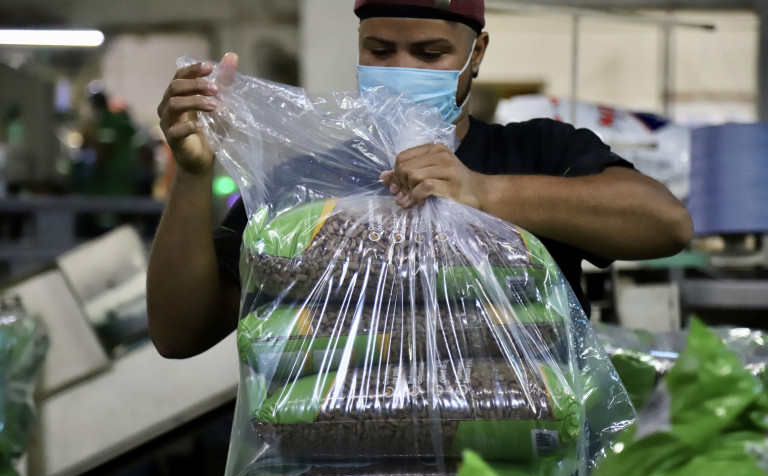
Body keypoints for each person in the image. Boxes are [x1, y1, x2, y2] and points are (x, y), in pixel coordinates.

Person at [148, 0, 693, 359]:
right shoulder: (306, 181)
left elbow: (666, 225)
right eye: (379, 51)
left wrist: (482, 191)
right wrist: (193, 174)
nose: (401, 69)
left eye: (431, 53)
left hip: (515, 472)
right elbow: (179, 333)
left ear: (476, 54)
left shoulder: (539, 151)